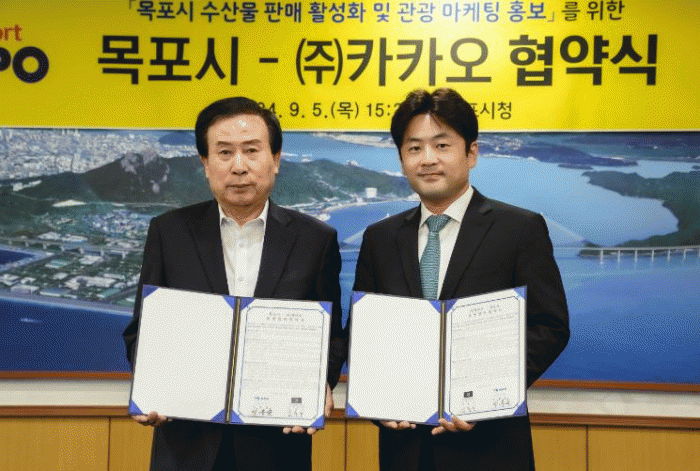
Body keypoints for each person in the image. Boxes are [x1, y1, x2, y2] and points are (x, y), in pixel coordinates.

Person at [123, 96, 346, 471]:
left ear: (275, 159)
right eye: (224, 152)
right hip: (187, 446)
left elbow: (332, 335)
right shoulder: (169, 232)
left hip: (276, 446)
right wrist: (153, 384)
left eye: (252, 151)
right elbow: (140, 332)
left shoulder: (315, 240)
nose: (239, 166)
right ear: (205, 164)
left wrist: (318, 381)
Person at [352, 88, 570, 471]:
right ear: (401, 159)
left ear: (471, 153)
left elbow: (549, 326)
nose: (428, 159)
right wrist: (378, 402)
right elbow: (364, 334)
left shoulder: (519, 229)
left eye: (442, 145)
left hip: (490, 449)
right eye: (414, 148)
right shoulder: (380, 238)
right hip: (405, 450)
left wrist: (486, 397)